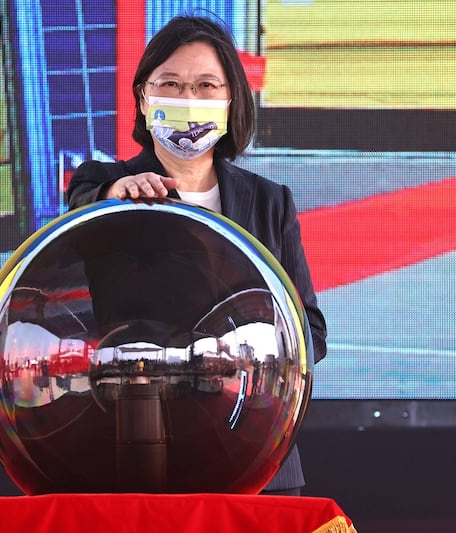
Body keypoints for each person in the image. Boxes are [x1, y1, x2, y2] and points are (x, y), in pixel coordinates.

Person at [66, 15, 327, 496]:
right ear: (144, 98)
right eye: (170, 84)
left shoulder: (270, 201)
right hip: (141, 441)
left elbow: (310, 328)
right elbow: (82, 201)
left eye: (206, 85)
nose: (187, 99)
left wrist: (251, 359)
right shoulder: (109, 187)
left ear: (231, 100)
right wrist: (112, 194)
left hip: (256, 448)